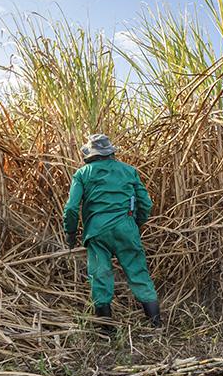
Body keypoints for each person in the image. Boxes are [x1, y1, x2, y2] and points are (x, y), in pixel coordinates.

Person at [63, 134, 161, 331]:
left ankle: (106, 329)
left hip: (97, 232)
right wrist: (134, 225)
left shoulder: (82, 174)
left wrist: (70, 233)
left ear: (90, 155)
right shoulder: (128, 171)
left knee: (100, 276)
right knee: (138, 273)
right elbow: (146, 203)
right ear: (110, 152)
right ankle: (156, 324)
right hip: (126, 228)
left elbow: (71, 208)